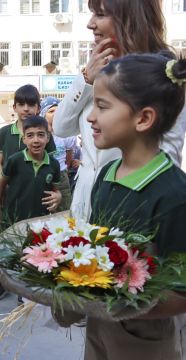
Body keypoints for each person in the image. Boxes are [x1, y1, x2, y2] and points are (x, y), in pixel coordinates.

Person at [86, 54, 186, 360]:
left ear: (143, 118)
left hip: (145, 340)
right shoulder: (106, 174)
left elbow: (182, 294)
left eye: (102, 106)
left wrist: (118, 305)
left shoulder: (172, 195)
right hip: (98, 330)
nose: (91, 116)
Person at [52, 0, 186, 222]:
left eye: (100, 14)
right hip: (86, 204)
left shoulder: (161, 74)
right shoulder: (97, 68)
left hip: (133, 210)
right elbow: (60, 127)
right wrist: (86, 79)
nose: (90, 24)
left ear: (130, 19)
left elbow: (168, 155)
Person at [0, 84, 58, 301]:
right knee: (6, 241)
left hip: (34, 198)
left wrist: (58, 196)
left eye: (31, 104)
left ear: (38, 107)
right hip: (11, 196)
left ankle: (27, 282)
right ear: (14, 106)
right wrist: (3, 185)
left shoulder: (43, 132)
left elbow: (53, 168)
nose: (26, 109)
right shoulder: (5, 132)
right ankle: (3, 280)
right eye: (21, 104)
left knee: (32, 240)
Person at [0, 116, 62, 229]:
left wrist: (58, 196)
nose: (36, 140)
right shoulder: (14, 160)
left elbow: (56, 190)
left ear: (48, 137)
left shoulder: (54, 164)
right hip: (13, 221)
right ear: (24, 139)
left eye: (41, 135)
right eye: (30, 135)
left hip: (40, 223)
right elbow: (2, 184)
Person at [41, 96, 75, 211]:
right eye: (51, 111)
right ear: (43, 115)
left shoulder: (67, 134)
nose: (55, 114)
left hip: (61, 175)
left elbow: (69, 156)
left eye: (58, 110)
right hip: (43, 174)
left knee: (64, 209)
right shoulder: (40, 135)